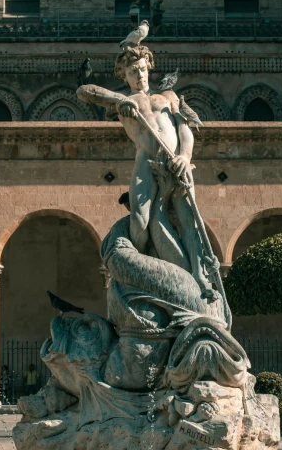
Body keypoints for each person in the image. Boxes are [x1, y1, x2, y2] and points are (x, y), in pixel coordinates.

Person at [77, 45, 213, 297]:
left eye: (141, 69)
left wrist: (185, 156)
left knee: (189, 219)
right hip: (146, 161)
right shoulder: (123, 102)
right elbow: (84, 91)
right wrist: (121, 100)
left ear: (149, 69)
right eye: (132, 72)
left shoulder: (168, 96)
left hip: (176, 162)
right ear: (124, 76)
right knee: (139, 219)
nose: (139, 75)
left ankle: (200, 279)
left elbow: (184, 129)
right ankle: (140, 279)